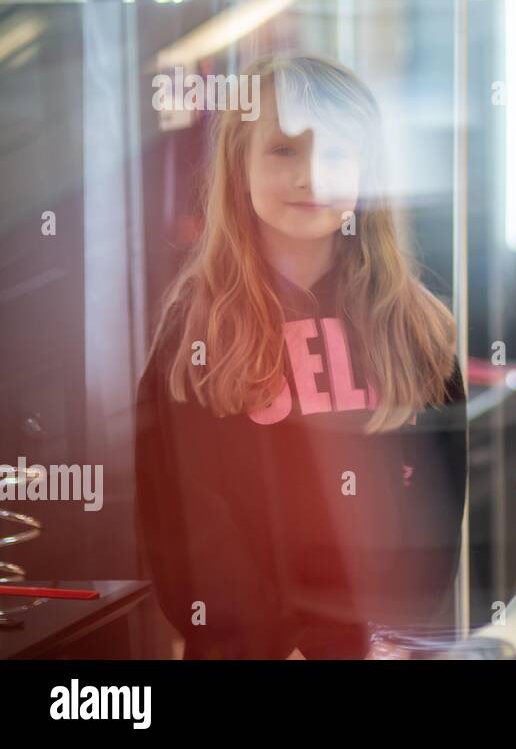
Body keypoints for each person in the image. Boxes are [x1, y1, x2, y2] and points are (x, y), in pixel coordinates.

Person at [134, 53, 467, 659]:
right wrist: (270, 644)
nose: (311, 176)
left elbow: (439, 510)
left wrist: (386, 637)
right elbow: (187, 517)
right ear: (239, 167)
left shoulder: (415, 326)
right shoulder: (197, 329)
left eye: (337, 153)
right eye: (284, 150)